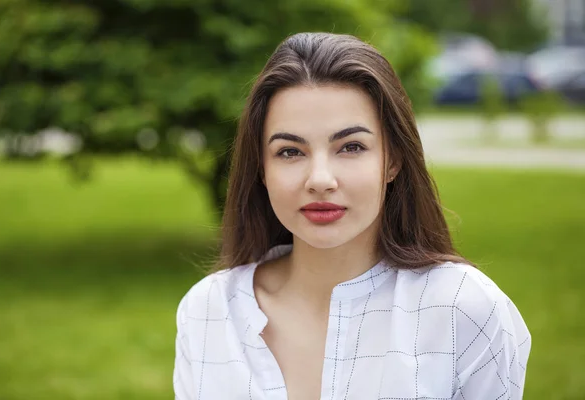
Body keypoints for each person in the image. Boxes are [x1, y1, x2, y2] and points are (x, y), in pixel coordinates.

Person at [173, 32, 531, 400]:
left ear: (392, 160)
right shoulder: (207, 311)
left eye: (351, 146)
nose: (321, 180)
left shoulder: (463, 309)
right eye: (290, 152)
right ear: (261, 168)